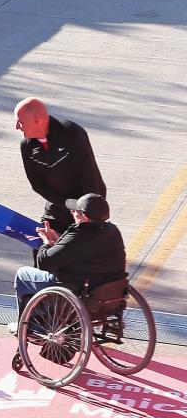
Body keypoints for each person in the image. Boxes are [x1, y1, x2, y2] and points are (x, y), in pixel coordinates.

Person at [8, 193, 126, 334]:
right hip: (108, 295)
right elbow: (80, 252)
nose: (72, 212)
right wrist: (60, 243)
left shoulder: (79, 235)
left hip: (78, 293)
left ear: (84, 216)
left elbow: (44, 263)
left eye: (76, 210)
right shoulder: (113, 232)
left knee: (23, 274)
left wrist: (46, 244)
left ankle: (29, 325)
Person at [14, 97, 106, 234]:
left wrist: (88, 211)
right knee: (43, 248)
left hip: (87, 207)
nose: (16, 127)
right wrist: (68, 204)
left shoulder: (71, 133)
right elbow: (37, 184)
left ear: (37, 121)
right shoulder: (26, 146)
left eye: (20, 122)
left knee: (84, 251)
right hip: (57, 208)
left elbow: (89, 174)